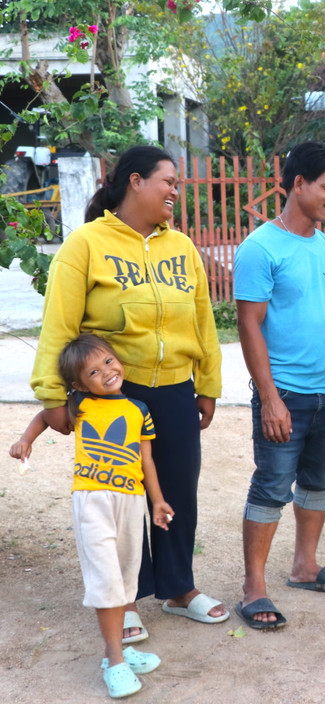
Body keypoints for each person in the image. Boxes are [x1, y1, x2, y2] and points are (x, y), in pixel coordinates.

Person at [30, 145, 227, 644]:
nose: (175, 192)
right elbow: (59, 325)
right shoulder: (86, 245)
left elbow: (203, 320)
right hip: (114, 395)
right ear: (136, 181)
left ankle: (179, 589)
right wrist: (52, 394)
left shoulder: (181, 247)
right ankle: (127, 598)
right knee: (121, 495)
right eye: (169, 182)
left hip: (176, 386)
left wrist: (207, 383)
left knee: (178, 488)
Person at [234, 141, 325, 630]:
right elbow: (249, 325)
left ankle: (305, 567)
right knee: (271, 486)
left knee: (318, 481)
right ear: (298, 184)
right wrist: (269, 398)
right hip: (285, 392)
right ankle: (254, 587)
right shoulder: (260, 248)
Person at [12, 335, 174, 698]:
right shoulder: (81, 404)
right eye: (93, 371)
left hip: (131, 501)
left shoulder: (139, 409)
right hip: (93, 501)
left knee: (126, 577)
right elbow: (45, 415)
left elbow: (146, 460)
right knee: (105, 580)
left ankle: (120, 652)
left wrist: (158, 501)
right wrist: (26, 440)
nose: (106, 372)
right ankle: (114, 661)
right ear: (80, 384)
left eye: (109, 362)